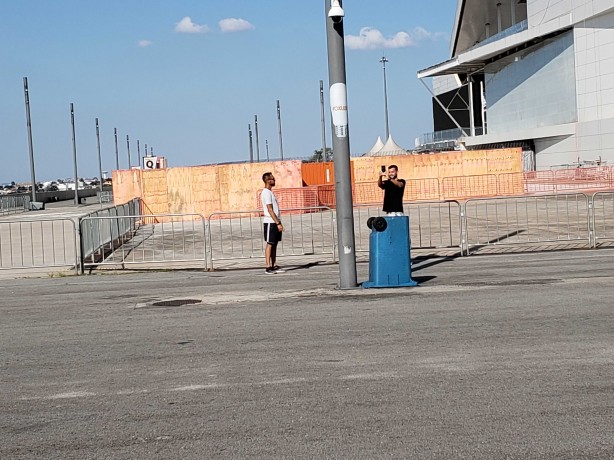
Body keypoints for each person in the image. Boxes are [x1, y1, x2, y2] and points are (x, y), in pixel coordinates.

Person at [261, 172, 285, 274]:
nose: (274, 180)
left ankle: (274, 264)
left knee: (274, 244)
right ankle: (268, 267)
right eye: (272, 179)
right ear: (268, 180)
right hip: (270, 222)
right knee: (270, 244)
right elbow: (270, 209)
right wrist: (277, 223)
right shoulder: (266, 192)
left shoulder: (270, 192)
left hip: (274, 222)